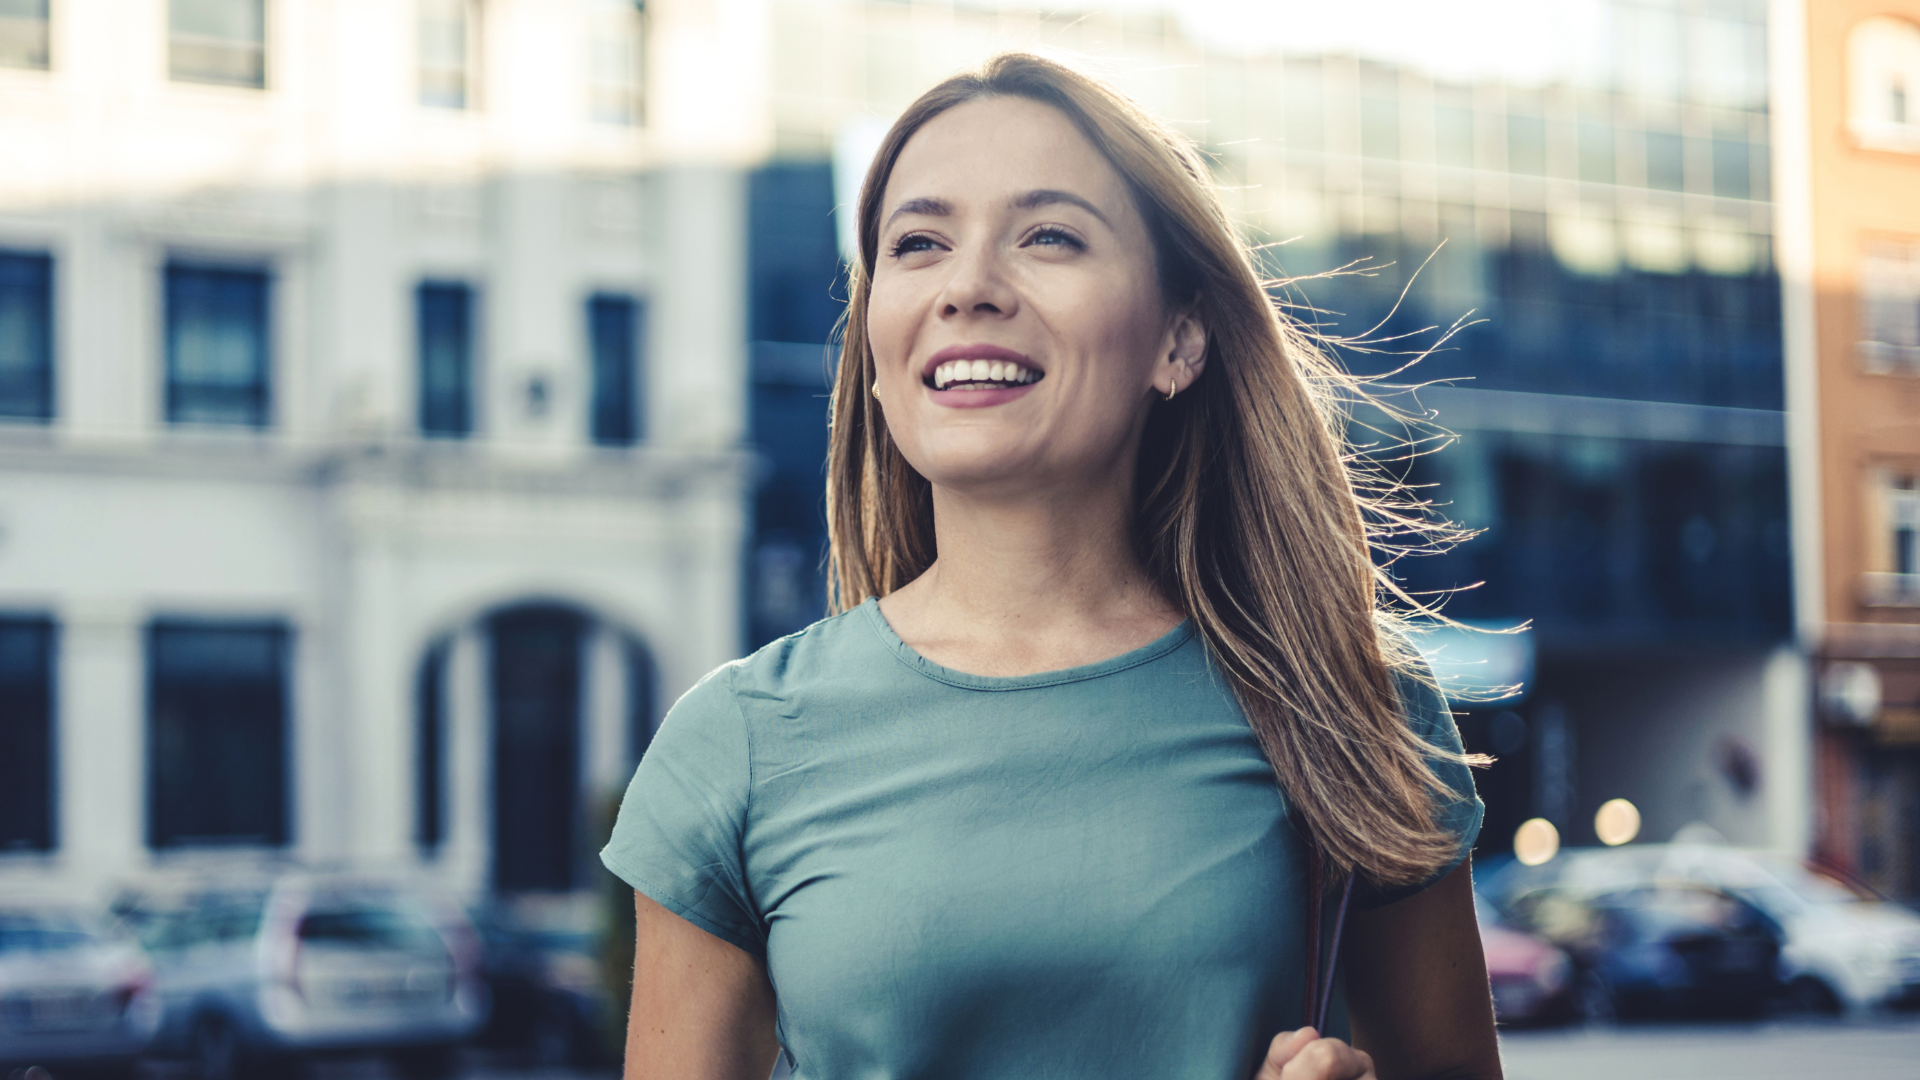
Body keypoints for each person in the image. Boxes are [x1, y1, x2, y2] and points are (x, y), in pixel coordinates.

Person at [601, 53, 1501, 1080]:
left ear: (1179, 337)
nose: (968, 288)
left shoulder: (1350, 707)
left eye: (1049, 237)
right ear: (879, 360)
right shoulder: (737, 743)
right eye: (920, 244)